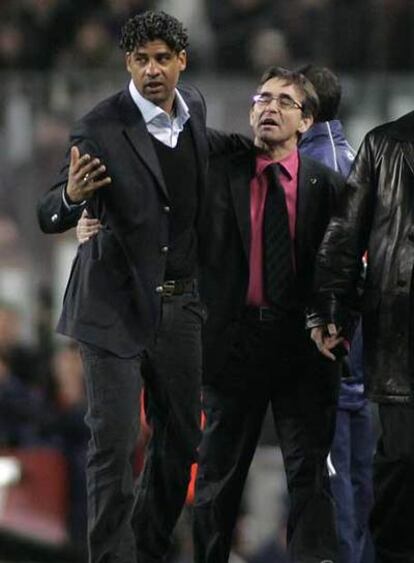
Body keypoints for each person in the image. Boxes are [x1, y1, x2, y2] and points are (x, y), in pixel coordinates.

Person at [37, 11, 209, 563]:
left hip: (178, 305)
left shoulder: (196, 110)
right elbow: (50, 208)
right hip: (112, 307)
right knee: (113, 442)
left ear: (181, 60)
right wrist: (70, 200)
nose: (152, 70)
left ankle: (149, 547)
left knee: (182, 439)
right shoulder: (99, 127)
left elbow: (206, 160)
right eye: (140, 59)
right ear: (127, 63)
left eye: (162, 58)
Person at [193, 67, 344, 563]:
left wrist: (334, 320)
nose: (270, 107)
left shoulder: (328, 185)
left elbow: (341, 267)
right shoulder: (223, 166)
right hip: (234, 345)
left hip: (302, 346)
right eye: (262, 98)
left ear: (307, 121)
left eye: (284, 101)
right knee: (218, 476)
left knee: (309, 476)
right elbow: (180, 132)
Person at [310, 110, 414, 563]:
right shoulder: (384, 144)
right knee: (402, 460)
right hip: (401, 332)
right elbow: (345, 234)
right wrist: (331, 308)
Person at [298, 64, 374, 563]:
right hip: (364, 350)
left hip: (328, 348)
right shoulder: (359, 157)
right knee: (361, 480)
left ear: (306, 113)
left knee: (334, 488)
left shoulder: (312, 172)